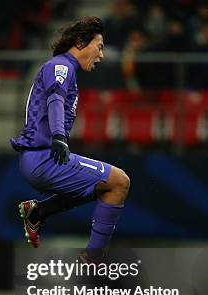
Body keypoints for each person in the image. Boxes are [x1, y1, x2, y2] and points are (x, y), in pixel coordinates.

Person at [10, 17, 130, 256]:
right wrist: (59, 137)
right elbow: (55, 98)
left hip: (38, 159)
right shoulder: (61, 66)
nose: (102, 55)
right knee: (119, 182)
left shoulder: (64, 69)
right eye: (100, 46)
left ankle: (39, 212)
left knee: (100, 186)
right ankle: (93, 257)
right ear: (81, 42)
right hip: (42, 158)